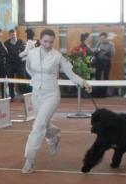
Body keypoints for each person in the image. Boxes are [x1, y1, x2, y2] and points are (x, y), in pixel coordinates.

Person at [21, 29, 92, 174]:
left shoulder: (57, 56)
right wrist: (36, 80)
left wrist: (83, 82)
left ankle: (29, 160)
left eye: (51, 42)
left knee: (38, 125)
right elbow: (28, 69)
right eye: (45, 41)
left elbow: (70, 73)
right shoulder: (32, 53)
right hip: (36, 93)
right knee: (44, 124)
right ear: (40, 40)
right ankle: (54, 136)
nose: (48, 44)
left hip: (51, 94)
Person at [4, 29, 25, 102]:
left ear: (16, 34)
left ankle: (23, 96)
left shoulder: (20, 42)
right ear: (9, 35)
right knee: (10, 81)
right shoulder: (6, 43)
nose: (13, 36)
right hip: (10, 65)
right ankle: (11, 97)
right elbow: (4, 54)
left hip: (19, 64)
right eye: (11, 35)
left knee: (21, 81)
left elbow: (24, 51)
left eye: (14, 34)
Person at [93, 33, 115, 97]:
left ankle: (104, 93)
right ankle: (97, 92)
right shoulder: (99, 43)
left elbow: (113, 54)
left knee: (106, 77)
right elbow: (95, 52)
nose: (102, 39)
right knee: (97, 77)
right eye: (101, 38)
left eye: (103, 38)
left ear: (106, 38)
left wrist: (106, 53)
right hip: (98, 62)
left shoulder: (111, 44)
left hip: (106, 62)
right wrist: (97, 51)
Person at [19, 28, 37, 94]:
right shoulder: (32, 42)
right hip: (31, 62)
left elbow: (26, 52)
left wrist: (19, 55)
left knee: (28, 78)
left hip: (27, 62)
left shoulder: (29, 42)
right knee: (29, 78)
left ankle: (30, 94)